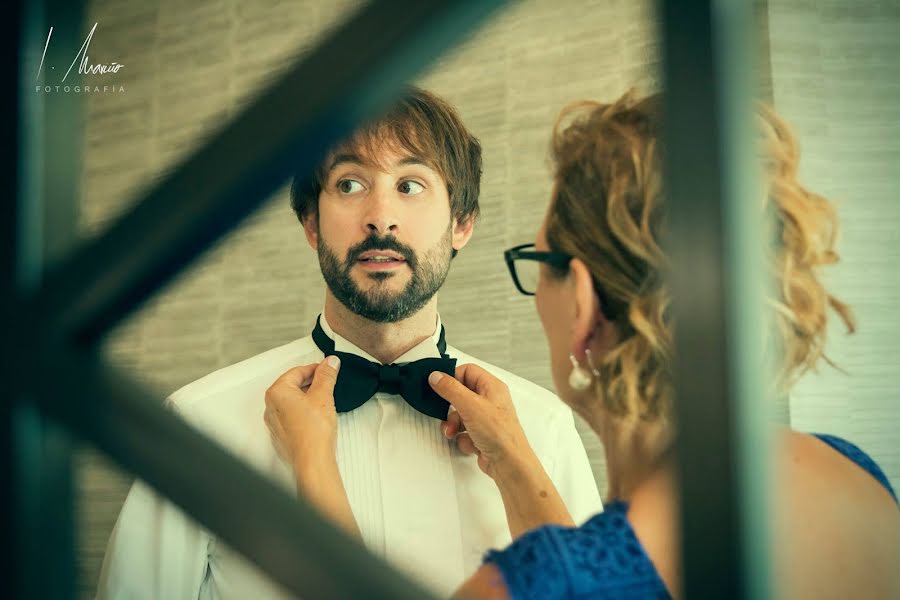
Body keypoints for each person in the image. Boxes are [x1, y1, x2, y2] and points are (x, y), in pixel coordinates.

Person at [266, 91, 900, 599]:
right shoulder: (854, 473)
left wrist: (313, 468)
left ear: (585, 306)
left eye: (540, 262)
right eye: (351, 184)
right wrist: (516, 463)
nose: (382, 214)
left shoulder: (546, 567)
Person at [96, 87, 602, 599]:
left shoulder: (544, 431)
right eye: (351, 183)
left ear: (462, 224)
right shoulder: (199, 427)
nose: (380, 217)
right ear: (311, 223)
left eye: (410, 184)